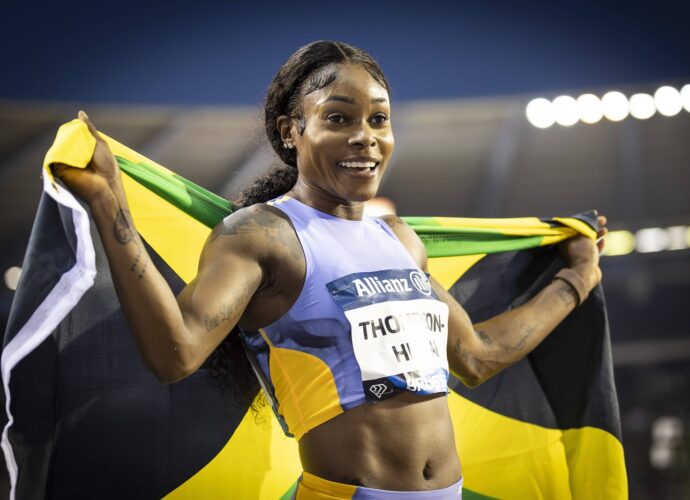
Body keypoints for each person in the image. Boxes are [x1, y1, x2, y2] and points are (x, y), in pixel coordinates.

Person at [53, 41, 607, 499]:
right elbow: (175, 353)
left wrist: (578, 278)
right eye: (338, 118)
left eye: (379, 119)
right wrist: (109, 205)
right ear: (290, 131)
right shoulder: (262, 235)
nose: (365, 136)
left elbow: (477, 356)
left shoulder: (399, 241)